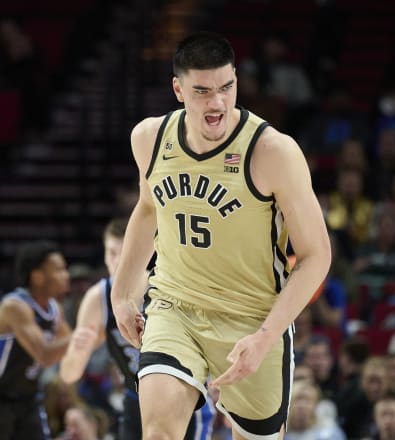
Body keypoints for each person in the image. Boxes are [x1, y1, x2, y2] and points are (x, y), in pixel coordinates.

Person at [110, 32, 331, 440]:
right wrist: (122, 292)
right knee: (158, 432)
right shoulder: (150, 138)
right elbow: (147, 208)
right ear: (178, 89)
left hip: (252, 318)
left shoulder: (272, 152)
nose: (217, 103)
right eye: (202, 91)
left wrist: (267, 335)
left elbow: (317, 256)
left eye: (226, 87)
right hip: (175, 305)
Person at [59, 218, 215, 439]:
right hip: (135, 401)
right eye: (111, 253)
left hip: (183, 398)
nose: (117, 261)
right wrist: (77, 351)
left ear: (143, 251)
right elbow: (69, 375)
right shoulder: (98, 299)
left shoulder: (167, 286)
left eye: (124, 252)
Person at [0, 240, 71, 440]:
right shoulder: (14, 307)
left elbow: (73, 348)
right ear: (37, 276)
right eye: (59, 270)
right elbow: (45, 354)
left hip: (27, 398)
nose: (66, 275)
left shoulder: (55, 310)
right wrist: (87, 330)